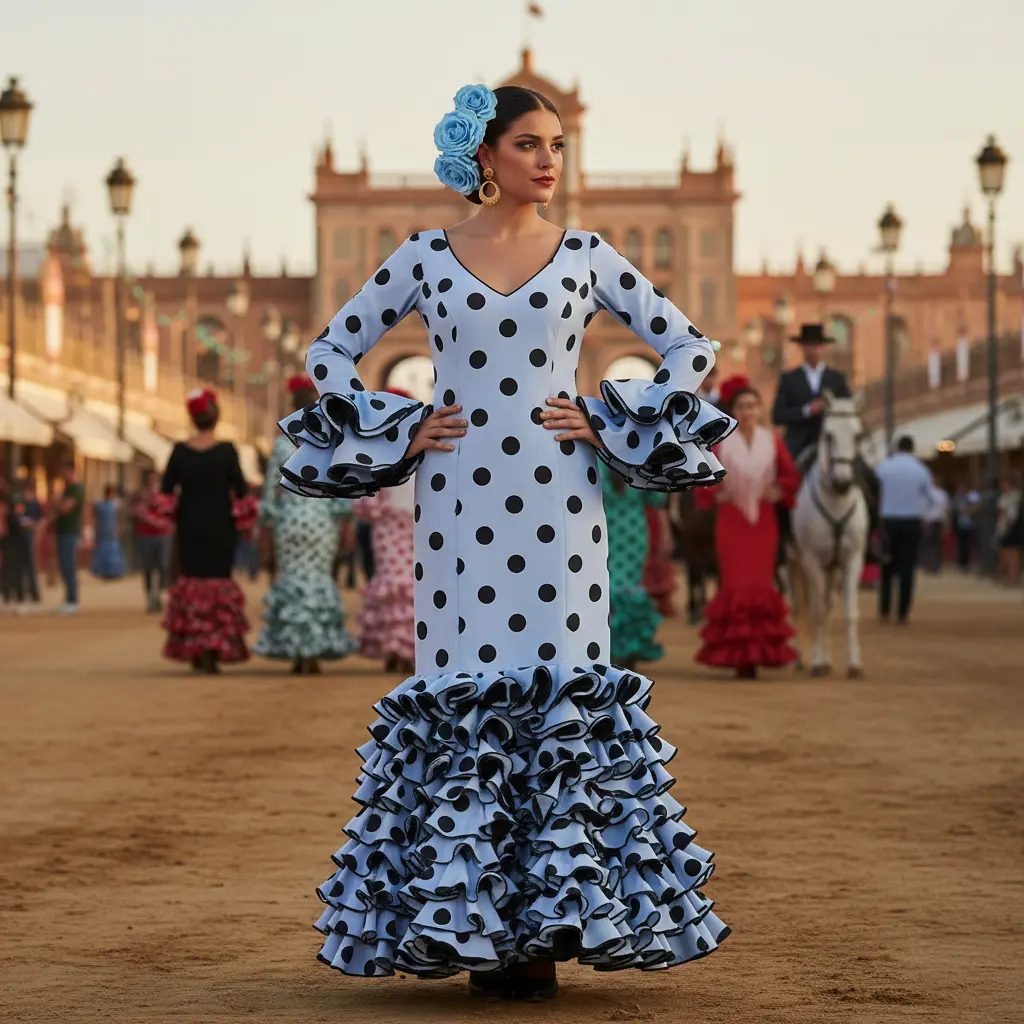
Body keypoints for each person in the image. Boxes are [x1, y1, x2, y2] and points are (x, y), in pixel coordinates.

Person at [276, 84, 734, 999]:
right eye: (529, 143)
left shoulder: (588, 255)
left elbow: (690, 347)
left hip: (561, 504)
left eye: (557, 143)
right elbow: (328, 351)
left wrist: (610, 420)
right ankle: (477, 927)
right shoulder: (424, 255)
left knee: (559, 687)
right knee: (468, 687)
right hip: (457, 502)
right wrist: (402, 427)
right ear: (484, 154)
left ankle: (543, 930)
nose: (549, 160)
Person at [695, 377, 800, 678]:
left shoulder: (772, 439)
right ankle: (737, 657)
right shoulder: (720, 441)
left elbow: (791, 475)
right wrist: (715, 493)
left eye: (752, 406)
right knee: (734, 584)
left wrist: (778, 491)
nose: (747, 411)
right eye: (742, 406)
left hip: (763, 521)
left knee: (761, 584)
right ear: (734, 410)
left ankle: (759, 654)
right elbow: (702, 476)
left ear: (760, 409)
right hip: (731, 520)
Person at [254, 375, 357, 673]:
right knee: (318, 579)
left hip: (290, 520)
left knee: (293, 578)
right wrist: (345, 521)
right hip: (321, 520)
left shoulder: (281, 443)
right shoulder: (330, 441)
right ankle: (314, 648)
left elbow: (270, 490)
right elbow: (340, 485)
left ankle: (297, 648)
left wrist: (266, 524)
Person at [158, 388, 255, 672]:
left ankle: (195, 646)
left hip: (189, 525)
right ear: (216, 417)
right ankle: (215, 646)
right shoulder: (226, 452)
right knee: (218, 580)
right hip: (220, 526)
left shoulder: (179, 452)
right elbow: (242, 491)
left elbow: (165, 492)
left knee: (193, 580)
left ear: (192, 418)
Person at [350, 386, 418, 675]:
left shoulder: (379, 451)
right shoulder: (421, 449)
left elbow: (366, 497)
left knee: (397, 582)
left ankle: (397, 647)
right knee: (406, 583)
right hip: (407, 524)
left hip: (397, 525)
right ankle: (403, 647)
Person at [601, 462, 670, 668]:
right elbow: (657, 497)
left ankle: (620, 649)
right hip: (619, 532)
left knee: (618, 589)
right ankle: (619, 650)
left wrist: (665, 533)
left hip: (619, 532)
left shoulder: (602, 460)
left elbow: (657, 499)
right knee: (617, 589)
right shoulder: (636, 459)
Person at [875, 435, 935, 624]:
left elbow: (873, 491)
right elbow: (932, 498)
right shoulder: (921, 470)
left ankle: (884, 609)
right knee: (907, 568)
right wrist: (925, 516)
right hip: (911, 520)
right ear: (912, 448)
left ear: (897, 448)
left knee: (887, 566)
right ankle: (902, 612)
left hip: (888, 520)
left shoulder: (883, 467)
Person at [131, 468, 173, 612]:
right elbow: (136, 512)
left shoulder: (164, 494)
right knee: (148, 566)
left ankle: (160, 594)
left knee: (163, 565)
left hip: (163, 534)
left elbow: (170, 511)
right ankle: (150, 595)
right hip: (146, 534)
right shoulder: (140, 495)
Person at [52, 459, 85, 614]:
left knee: (69, 566)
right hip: (62, 531)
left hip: (70, 532)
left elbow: (66, 507)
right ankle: (67, 599)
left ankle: (72, 600)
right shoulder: (66, 489)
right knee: (63, 567)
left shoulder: (76, 489)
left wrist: (57, 502)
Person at [91, 483, 127, 580]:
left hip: (113, 530)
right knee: (103, 549)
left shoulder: (117, 504)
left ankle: (115, 571)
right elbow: (96, 517)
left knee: (114, 550)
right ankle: (104, 571)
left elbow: (121, 517)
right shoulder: (100, 504)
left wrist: (121, 528)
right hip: (103, 530)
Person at [995, 475, 1022, 586]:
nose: (1003, 486)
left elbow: (1013, 514)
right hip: (1003, 527)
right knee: (1004, 552)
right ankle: (1008, 576)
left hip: (1014, 527)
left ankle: (1014, 578)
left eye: (1005, 484)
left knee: (1013, 553)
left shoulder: (1016, 497)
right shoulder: (1003, 497)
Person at [922, 482, 950, 574]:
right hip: (937, 520)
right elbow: (946, 508)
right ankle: (935, 566)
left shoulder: (930, 494)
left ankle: (929, 565)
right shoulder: (942, 494)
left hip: (931, 520)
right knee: (935, 544)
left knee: (929, 544)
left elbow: (924, 507)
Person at [952, 484, 980, 571]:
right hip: (961, 524)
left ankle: (967, 562)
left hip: (969, 525)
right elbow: (954, 508)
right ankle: (961, 563)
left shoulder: (970, 497)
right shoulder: (957, 498)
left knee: (968, 545)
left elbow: (975, 508)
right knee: (961, 544)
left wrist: (969, 509)